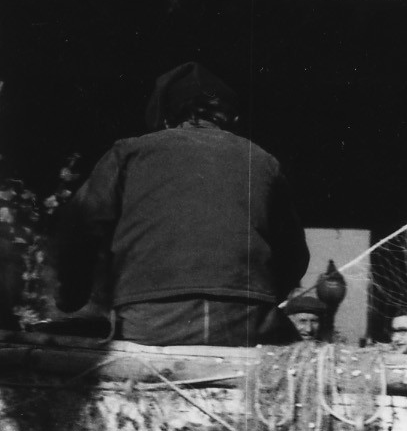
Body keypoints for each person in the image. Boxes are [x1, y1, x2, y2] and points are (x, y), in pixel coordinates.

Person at [57, 62, 308, 346]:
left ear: (164, 119)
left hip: (150, 324)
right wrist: (257, 296)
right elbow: (295, 258)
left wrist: (71, 298)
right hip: (246, 325)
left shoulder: (129, 153)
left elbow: (78, 224)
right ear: (231, 119)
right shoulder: (264, 161)